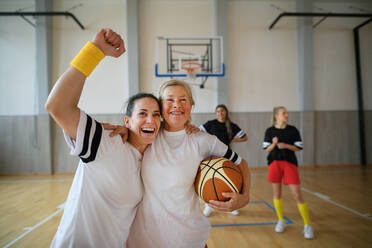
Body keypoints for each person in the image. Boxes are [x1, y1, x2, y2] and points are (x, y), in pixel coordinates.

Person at [45, 28, 162, 247]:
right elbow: (57, 106)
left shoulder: (152, 157)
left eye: (156, 115)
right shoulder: (105, 142)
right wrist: (95, 51)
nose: (150, 120)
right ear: (126, 121)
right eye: (142, 114)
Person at [124, 80, 251, 248]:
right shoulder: (148, 135)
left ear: (191, 105)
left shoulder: (204, 141)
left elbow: (241, 163)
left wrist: (245, 196)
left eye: (183, 99)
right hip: (144, 239)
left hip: (188, 238)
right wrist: (122, 130)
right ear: (160, 106)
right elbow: (130, 127)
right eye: (169, 100)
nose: (177, 105)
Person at [262, 106, 314, 239]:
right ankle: (281, 220)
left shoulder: (293, 130)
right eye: (283, 113)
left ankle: (307, 225)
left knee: (297, 195)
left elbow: (299, 147)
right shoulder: (270, 131)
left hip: (289, 163)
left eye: (286, 113)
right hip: (274, 163)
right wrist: (273, 144)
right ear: (276, 116)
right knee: (277, 193)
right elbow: (267, 149)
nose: (286, 115)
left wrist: (285, 146)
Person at [200, 104, 248, 216]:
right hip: (212, 158)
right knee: (211, 182)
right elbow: (198, 131)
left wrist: (234, 140)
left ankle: (231, 205)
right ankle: (209, 206)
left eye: (222, 111)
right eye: (218, 111)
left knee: (230, 181)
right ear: (216, 113)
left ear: (226, 112)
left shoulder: (231, 126)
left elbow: (244, 137)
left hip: (227, 157)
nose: (220, 113)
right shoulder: (211, 124)